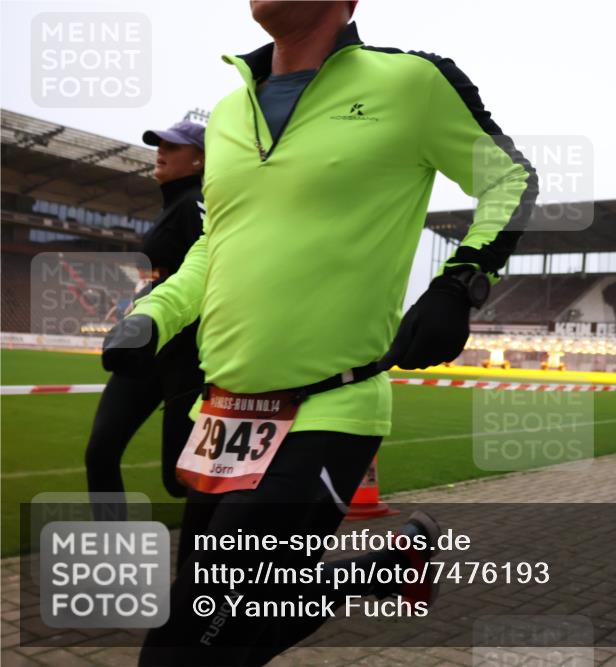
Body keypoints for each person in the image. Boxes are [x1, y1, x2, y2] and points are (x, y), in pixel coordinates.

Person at [101, 2, 537, 664]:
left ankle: (379, 570)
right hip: (219, 419)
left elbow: (511, 178)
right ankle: (380, 569)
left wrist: (461, 281)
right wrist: (153, 315)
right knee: (232, 640)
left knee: (182, 649)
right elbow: (212, 246)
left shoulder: (411, 83)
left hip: (325, 409)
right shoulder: (226, 114)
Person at [84, 119, 207, 519]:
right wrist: (136, 300)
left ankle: (212, 561)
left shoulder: (195, 205)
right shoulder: (173, 206)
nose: (161, 151)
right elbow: (164, 275)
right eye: (159, 145)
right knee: (101, 450)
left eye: (173, 147)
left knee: (180, 478)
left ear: (200, 160)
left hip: (184, 353)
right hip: (145, 349)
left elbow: (204, 274)